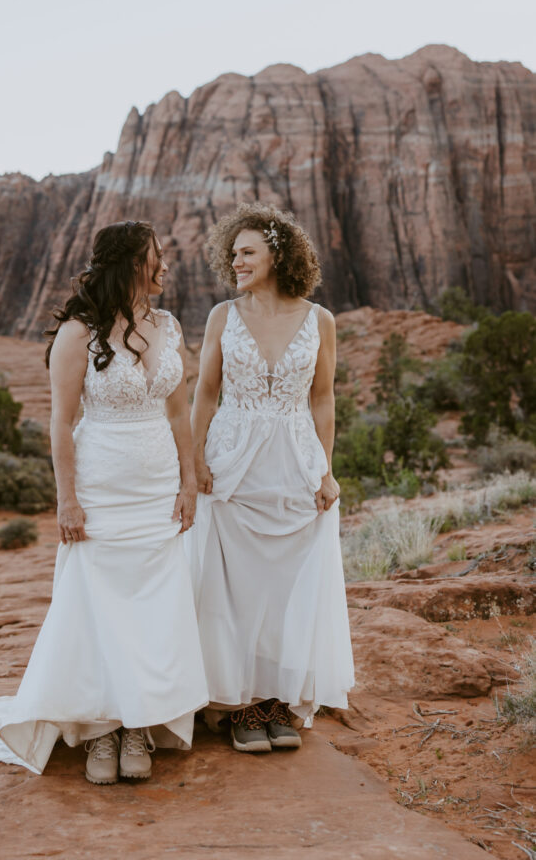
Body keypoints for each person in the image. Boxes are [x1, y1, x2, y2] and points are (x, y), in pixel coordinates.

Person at [0, 220, 208, 782]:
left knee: (153, 606)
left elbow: (178, 413)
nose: (165, 264)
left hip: (157, 492)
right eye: (156, 255)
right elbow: (60, 422)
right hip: (101, 488)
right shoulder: (80, 332)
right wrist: (67, 500)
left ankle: (137, 723)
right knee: (97, 604)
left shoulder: (168, 326)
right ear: (129, 264)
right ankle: (99, 730)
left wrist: (189, 481)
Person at [188, 202, 354, 753]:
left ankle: (280, 700)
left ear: (277, 255)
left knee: (287, 588)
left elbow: (323, 398)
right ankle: (241, 706)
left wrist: (326, 470)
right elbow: (205, 392)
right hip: (232, 463)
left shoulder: (320, 320)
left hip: (296, 462)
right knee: (235, 589)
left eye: (247, 252)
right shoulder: (221, 316)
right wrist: (197, 461)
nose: (235, 261)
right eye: (232, 253)